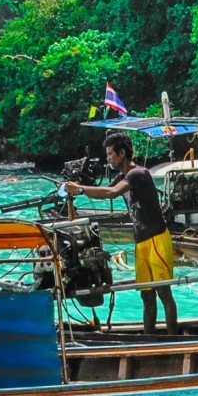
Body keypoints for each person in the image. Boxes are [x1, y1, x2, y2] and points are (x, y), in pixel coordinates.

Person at [64, 136, 181, 334]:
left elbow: (112, 194)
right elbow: (106, 189)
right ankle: (148, 340)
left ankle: (173, 341)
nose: (108, 158)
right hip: (141, 241)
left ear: (122, 153)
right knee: (146, 296)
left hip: (157, 239)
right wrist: (77, 185)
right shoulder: (123, 177)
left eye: (111, 154)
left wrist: (81, 189)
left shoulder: (138, 174)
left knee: (164, 292)